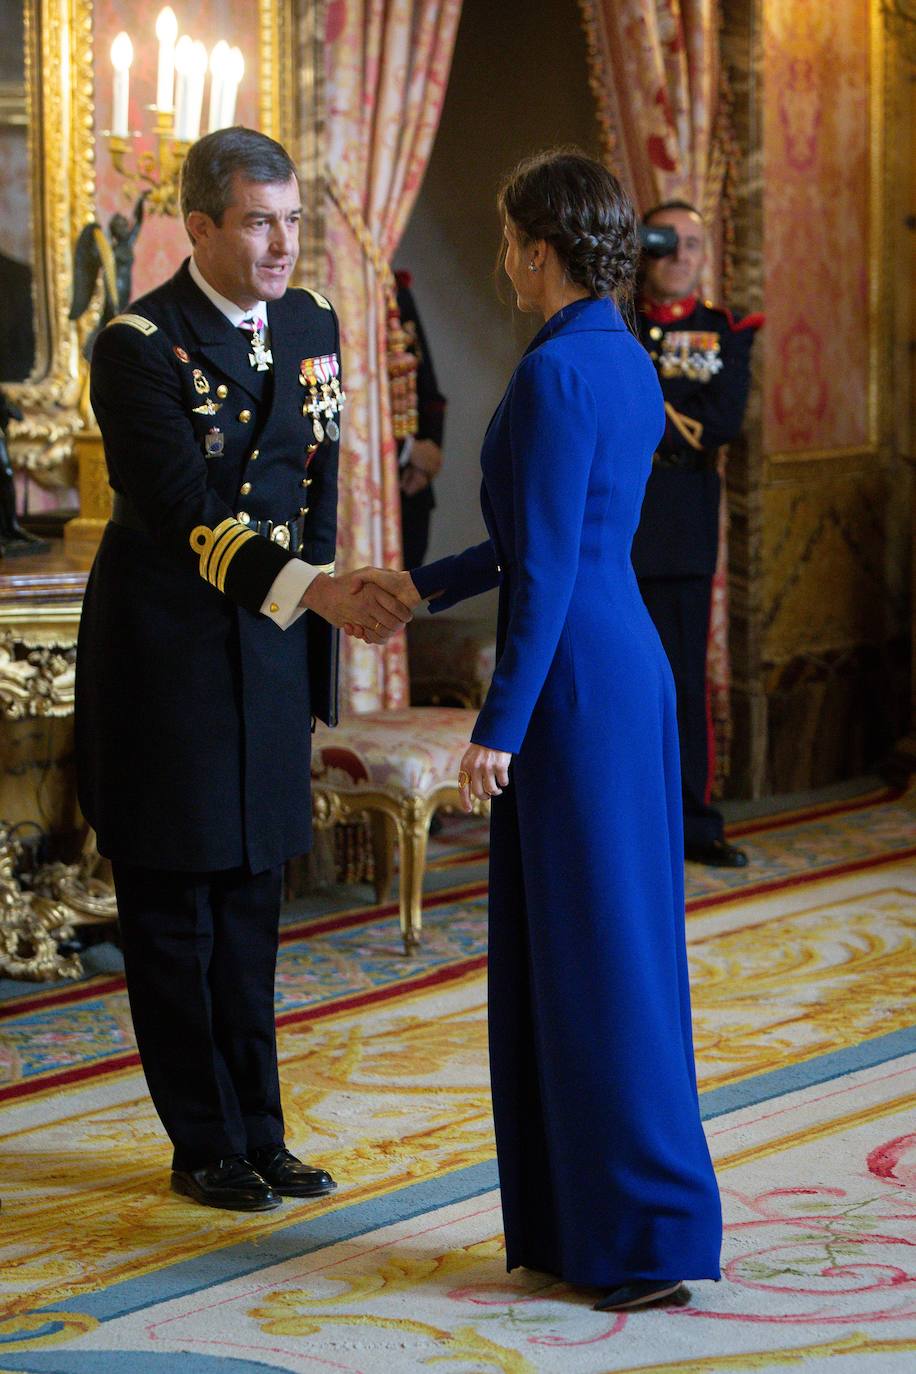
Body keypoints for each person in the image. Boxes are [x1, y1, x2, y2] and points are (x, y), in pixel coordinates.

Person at [357, 151, 722, 1310]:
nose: (504, 255)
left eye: (509, 237)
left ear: (535, 246)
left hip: (577, 683)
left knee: (602, 952)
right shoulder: (612, 355)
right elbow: (546, 539)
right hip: (613, 664)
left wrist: (495, 728)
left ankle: (643, 1232)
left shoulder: (562, 371)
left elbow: (553, 566)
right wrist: (422, 585)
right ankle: (592, 1223)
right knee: (591, 945)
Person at [75, 127, 412, 1213]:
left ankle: (262, 1133)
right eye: (259, 223)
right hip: (166, 655)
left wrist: (313, 615)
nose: (281, 245)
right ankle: (203, 1142)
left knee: (255, 903)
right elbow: (182, 513)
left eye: (293, 223)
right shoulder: (138, 344)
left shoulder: (311, 321)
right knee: (177, 911)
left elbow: (309, 488)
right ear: (202, 226)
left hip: (264, 655)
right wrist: (310, 588)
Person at [632, 200, 762, 868]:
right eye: (665, 242)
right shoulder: (615, 322)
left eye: (692, 243)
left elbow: (721, 423)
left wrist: (644, 405)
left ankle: (694, 822)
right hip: (617, 518)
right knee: (616, 680)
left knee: (681, 680)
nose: (680, 255)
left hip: (681, 521)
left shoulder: (723, 329)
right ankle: (623, 822)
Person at [395, 270, 447, 568]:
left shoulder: (395, 290)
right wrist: (406, 450)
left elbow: (426, 387)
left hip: (410, 484)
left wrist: (427, 456)